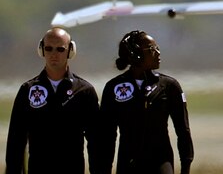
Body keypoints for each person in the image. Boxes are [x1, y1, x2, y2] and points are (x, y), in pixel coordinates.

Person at [5, 27, 99, 174]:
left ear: (70, 51)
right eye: (49, 48)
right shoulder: (27, 90)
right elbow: (16, 142)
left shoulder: (84, 91)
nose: (54, 54)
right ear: (41, 50)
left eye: (60, 49)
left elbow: (96, 142)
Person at [98, 30, 193, 174]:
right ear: (135, 54)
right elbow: (107, 136)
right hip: (128, 163)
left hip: (160, 161)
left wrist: (186, 166)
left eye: (158, 48)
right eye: (152, 49)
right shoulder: (114, 87)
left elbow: (183, 130)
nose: (158, 52)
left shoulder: (169, 86)